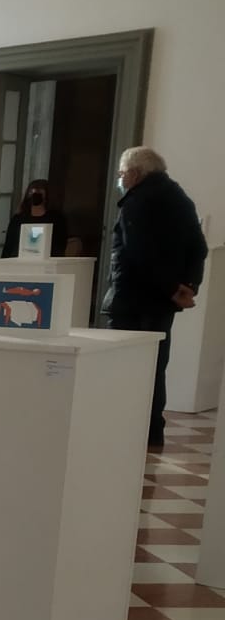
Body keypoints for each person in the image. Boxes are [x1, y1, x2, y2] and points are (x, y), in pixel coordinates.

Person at [101, 146, 208, 450]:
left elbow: (140, 255)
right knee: (155, 365)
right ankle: (151, 430)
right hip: (162, 303)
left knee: (125, 366)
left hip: (132, 300)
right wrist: (188, 285)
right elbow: (198, 247)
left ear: (135, 174)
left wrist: (172, 288)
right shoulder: (179, 198)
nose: (121, 179)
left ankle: (124, 429)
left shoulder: (137, 202)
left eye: (122, 173)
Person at [2, 180, 69, 258]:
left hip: (46, 261)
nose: (35, 195)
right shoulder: (18, 219)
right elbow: (8, 246)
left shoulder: (56, 219)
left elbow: (60, 245)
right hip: (19, 261)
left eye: (39, 192)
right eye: (32, 192)